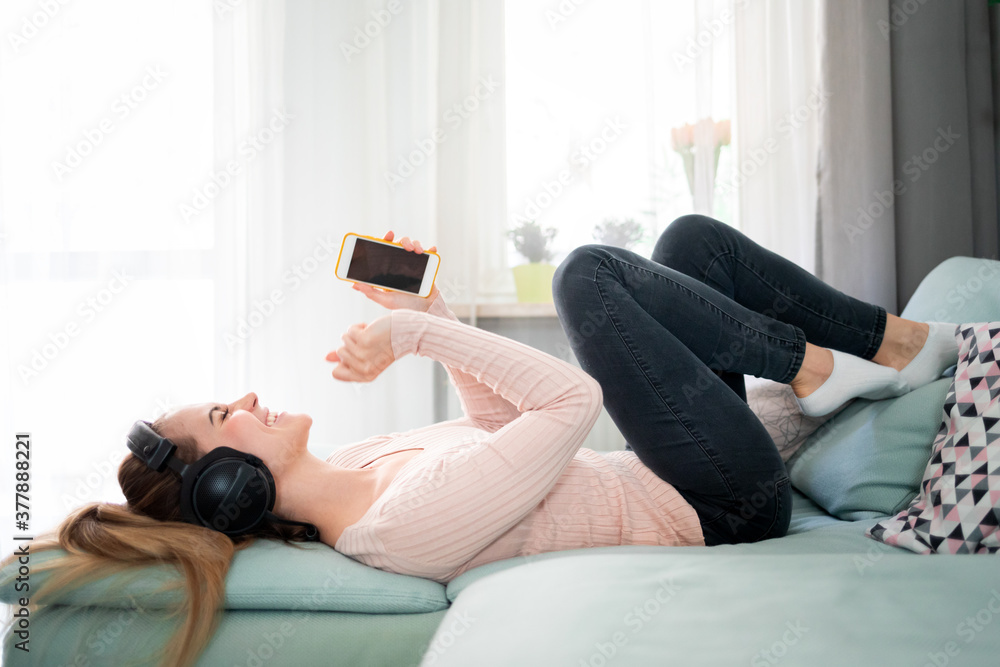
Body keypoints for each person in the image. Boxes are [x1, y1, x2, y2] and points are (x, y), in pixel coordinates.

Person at [1, 219, 957, 666]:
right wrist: (418, 336)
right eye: (225, 415)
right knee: (586, 276)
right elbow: (570, 405)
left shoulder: (369, 468)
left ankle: (893, 343)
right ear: (230, 486)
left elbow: (511, 438)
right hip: (717, 505)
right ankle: (823, 367)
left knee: (690, 245)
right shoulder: (396, 532)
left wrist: (432, 310)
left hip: (675, 467)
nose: (246, 396)